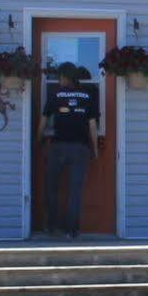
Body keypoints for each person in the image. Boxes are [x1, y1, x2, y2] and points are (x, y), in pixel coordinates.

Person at [42, 62, 100, 238]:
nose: (59, 80)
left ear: (65, 78)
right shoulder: (88, 95)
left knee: (52, 187)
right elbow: (92, 125)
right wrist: (95, 149)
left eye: (60, 76)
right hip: (80, 147)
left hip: (58, 145)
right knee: (75, 190)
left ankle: (52, 227)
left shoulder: (55, 94)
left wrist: (38, 138)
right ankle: (72, 230)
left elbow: (44, 120)